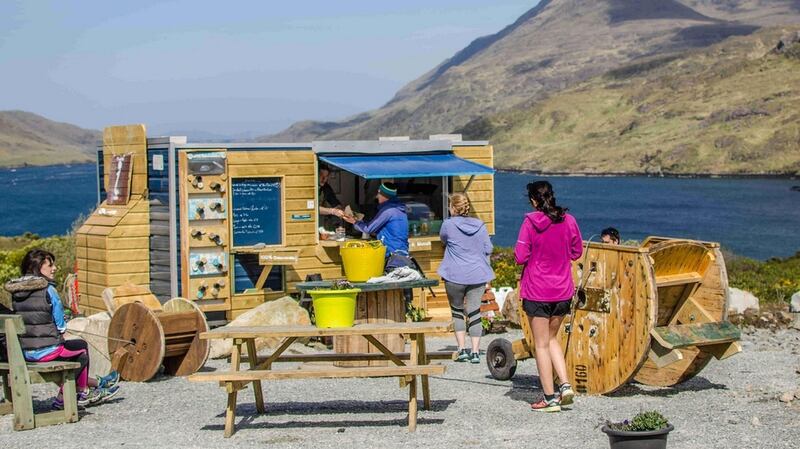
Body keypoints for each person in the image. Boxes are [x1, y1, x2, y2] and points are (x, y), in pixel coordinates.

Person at [4, 249, 120, 410]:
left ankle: (91, 387)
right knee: (81, 349)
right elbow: (60, 327)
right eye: (50, 265)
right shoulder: (48, 290)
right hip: (47, 351)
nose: (55, 268)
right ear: (38, 268)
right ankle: (73, 395)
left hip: (24, 352)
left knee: (74, 349)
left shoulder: (16, 292)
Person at [515, 181, 583, 412]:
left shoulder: (530, 223)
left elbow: (520, 255)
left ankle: (549, 397)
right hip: (563, 290)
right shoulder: (569, 220)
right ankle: (565, 384)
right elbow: (577, 251)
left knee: (541, 345)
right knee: (553, 339)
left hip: (537, 290)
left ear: (533, 200)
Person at [437, 193, 494, 364]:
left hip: (454, 275)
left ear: (454, 208)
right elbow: (488, 248)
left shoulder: (447, 225)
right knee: (475, 312)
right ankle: (475, 352)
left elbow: (443, 240)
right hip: (477, 275)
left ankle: (462, 349)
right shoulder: (480, 225)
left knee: (457, 311)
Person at [343, 182, 409, 267]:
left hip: (392, 256)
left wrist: (354, 221)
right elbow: (383, 228)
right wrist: (361, 220)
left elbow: (368, 229)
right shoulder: (399, 209)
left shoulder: (387, 211)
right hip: (402, 253)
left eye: (379, 193)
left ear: (384, 196)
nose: (377, 197)